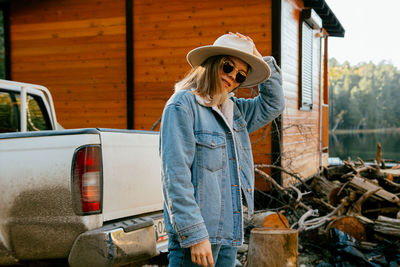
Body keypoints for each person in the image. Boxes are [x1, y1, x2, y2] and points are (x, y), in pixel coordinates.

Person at [159, 32, 285, 267]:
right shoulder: (182, 105)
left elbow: (274, 104)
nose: (232, 77)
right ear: (212, 62)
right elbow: (175, 177)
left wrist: (261, 60)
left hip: (230, 232)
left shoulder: (236, 111)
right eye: (228, 66)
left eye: (240, 75)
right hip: (198, 239)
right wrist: (195, 235)